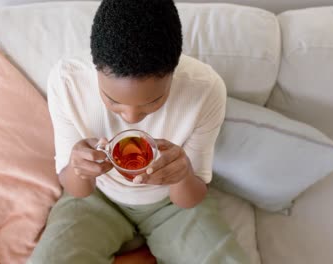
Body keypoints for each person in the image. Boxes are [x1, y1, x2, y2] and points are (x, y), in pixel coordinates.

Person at [31, 0, 249, 263]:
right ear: (95, 68)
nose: (132, 118)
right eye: (112, 100)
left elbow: (190, 198)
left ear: (173, 71)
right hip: (96, 198)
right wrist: (78, 167)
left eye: (153, 102)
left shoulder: (205, 89)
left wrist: (182, 174)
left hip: (171, 205)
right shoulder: (67, 82)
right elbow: (77, 190)